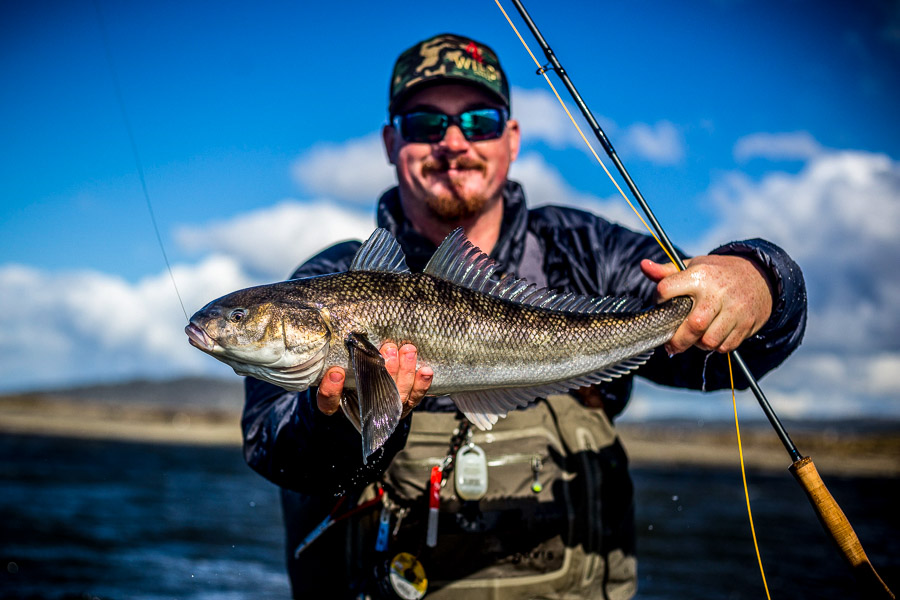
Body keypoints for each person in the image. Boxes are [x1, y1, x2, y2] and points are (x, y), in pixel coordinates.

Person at [242, 33, 806, 599]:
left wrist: (761, 279)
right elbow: (274, 449)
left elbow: (724, 359)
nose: (454, 143)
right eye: (424, 125)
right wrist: (345, 414)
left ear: (511, 140)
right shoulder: (326, 279)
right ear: (391, 142)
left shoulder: (585, 254)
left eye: (480, 121)